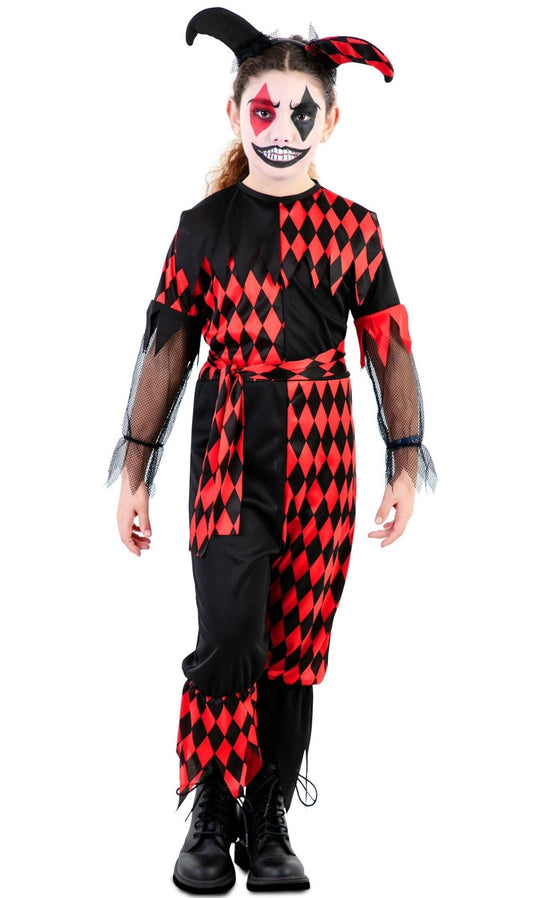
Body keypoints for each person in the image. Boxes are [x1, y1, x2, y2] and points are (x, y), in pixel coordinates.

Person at [107, 8, 436, 894]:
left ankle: (268, 817)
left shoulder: (354, 230)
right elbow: (167, 347)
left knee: (294, 642)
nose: (281, 127)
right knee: (228, 634)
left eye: (301, 111)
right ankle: (212, 805)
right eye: (263, 109)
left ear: (330, 122)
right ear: (234, 114)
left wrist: (405, 463)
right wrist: (133, 473)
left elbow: (388, 346)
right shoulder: (203, 227)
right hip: (227, 445)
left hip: (323, 451)